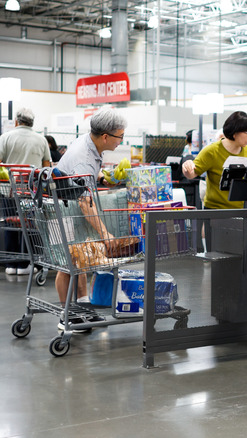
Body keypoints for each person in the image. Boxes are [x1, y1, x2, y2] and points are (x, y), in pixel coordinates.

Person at [55, 107, 127, 331]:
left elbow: (84, 180)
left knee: (80, 256)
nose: (121, 141)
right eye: (120, 137)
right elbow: (85, 203)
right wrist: (105, 233)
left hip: (71, 205)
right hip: (64, 210)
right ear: (106, 136)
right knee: (67, 264)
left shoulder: (90, 143)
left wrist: (101, 177)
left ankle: (83, 307)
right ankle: (66, 316)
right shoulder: (84, 158)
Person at [0, 108, 52, 275]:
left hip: (9, 189)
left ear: (16, 121)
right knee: (30, 225)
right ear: (32, 122)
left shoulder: (5, 138)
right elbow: (47, 167)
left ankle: (11, 264)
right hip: (32, 191)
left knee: (10, 223)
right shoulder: (41, 139)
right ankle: (29, 263)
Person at [182, 111, 247, 209]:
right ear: (235, 132)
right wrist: (187, 166)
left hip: (242, 210)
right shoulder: (211, 151)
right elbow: (191, 174)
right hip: (215, 211)